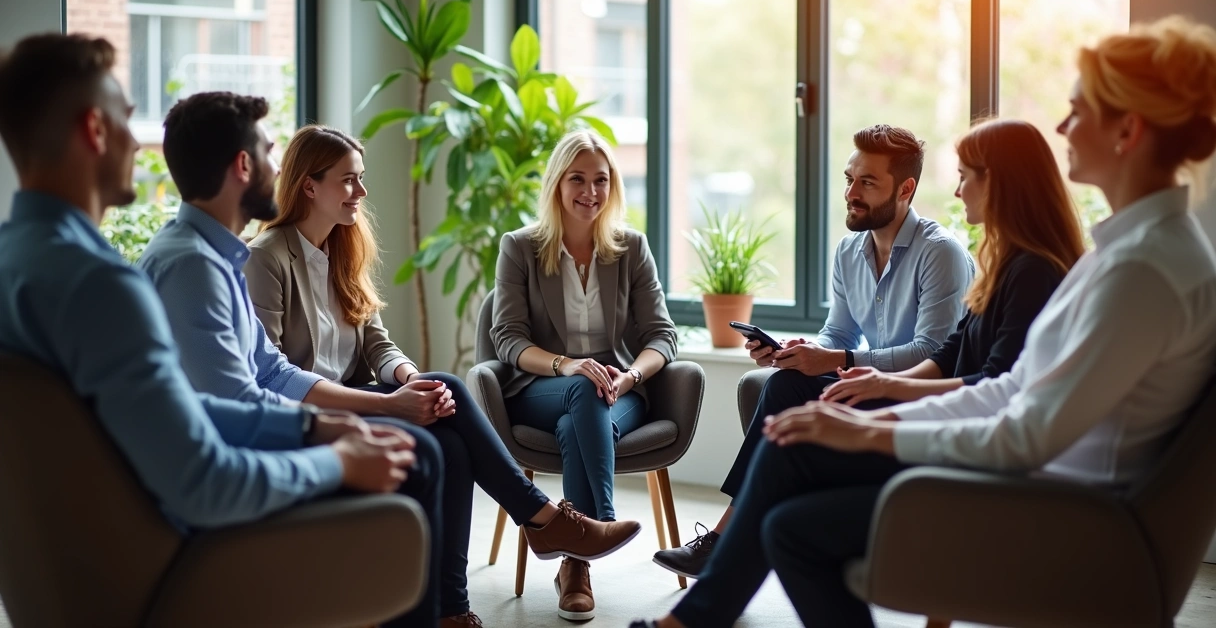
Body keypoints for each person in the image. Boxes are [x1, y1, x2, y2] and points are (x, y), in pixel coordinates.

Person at [634, 15, 1216, 628]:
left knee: (793, 510)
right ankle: (693, 619)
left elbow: (1026, 431)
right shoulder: (1132, 253)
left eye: (1079, 111)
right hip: (1033, 481)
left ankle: (692, 618)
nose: (1065, 127)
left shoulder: (1144, 270)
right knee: (791, 484)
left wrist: (872, 430)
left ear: (1128, 129)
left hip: (1049, 507)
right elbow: (1010, 389)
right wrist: (877, 407)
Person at [136, 97, 639, 628]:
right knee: (434, 435)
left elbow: (363, 343)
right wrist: (380, 411)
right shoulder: (246, 259)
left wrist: (409, 384)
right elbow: (261, 384)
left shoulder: (318, 250)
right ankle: (539, 523)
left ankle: (457, 601)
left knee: (444, 416)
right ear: (306, 184)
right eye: (350, 180)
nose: (362, 192)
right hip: (296, 414)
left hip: (333, 395)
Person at [0, 34, 418, 534]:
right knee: (423, 463)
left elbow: (175, 409)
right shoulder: (102, 285)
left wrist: (310, 423)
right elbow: (204, 481)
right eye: (125, 118)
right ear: (94, 129)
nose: (136, 141)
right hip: (167, 545)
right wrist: (339, 461)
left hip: (76, 547)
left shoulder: (21, 260)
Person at [654, 124, 974, 578]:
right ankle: (734, 545)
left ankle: (728, 544)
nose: (851, 193)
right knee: (786, 377)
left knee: (785, 390)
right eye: (849, 179)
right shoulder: (848, 252)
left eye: (867, 182)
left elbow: (934, 355)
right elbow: (838, 334)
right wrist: (799, 350)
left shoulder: (939, 253)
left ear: (906, 189)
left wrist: (836, 361)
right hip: (870, 389)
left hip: (922, 399)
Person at [491, 129, 678, 621]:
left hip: (620, 391)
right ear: (556, 183)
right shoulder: (519, 248)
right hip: (541, 386)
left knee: (583, 415)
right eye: (577, 179)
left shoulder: (631, 248)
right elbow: (507, 339)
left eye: (601, 180)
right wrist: (569, 365)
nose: (590, 192)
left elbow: (663, 336)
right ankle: (602, 523)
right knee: (581, 388)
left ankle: (576, 561)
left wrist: (630, 377)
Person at [819, 118, 1086, 407]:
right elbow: (950, 352)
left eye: (963, 176)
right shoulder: (1003, 264)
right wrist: (881, 383)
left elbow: (997, 384)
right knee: (786, 387)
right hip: (950, 411)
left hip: (969, 423)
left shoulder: (1033, 273)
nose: (958, 192)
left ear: (996, 184)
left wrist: (883, 401)